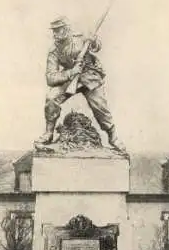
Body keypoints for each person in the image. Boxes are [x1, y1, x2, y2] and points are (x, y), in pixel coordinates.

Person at [36, 16, 126, 153]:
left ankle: (113, 136)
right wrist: (71, 72)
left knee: (100, 107)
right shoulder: (54, 50)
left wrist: (94, 41)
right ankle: (48, 133)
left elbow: (97, 47)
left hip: (90, 75)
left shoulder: (80, 37)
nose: (54, 34)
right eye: (53, 31)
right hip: (71, 76)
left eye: (58, 30)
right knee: (51, 97)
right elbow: (51, 78)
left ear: (66, 30)